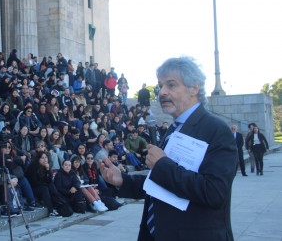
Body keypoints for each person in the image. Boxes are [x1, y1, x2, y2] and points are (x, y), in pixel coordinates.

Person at [100, 56, 237, 240]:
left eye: (171, 85)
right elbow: (161, 183)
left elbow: (214, 192)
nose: (161, 91)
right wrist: (122, 180)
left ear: (194, 88)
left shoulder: (216, 130)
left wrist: (162, 164)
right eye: (160, 85)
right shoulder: (173, 129)